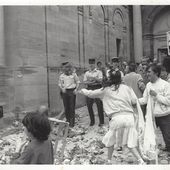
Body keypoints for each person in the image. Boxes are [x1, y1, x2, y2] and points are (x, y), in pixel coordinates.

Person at [79, 70, 145, 164]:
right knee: (130, 142)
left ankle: (109, 160)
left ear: (109, 79)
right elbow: (134, 102)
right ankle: (141, 160)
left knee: (111, 140)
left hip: (117, 118)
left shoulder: (106, 90)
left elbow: (91, 94)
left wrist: (82, 91)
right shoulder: (127, 88)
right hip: (129, 117)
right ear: (120, 78)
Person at [138, 64, 170, 153]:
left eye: (149, 72)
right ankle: (153, 152)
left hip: (165, 115)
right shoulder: (148, 85)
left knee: (168, 137)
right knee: (150, 136)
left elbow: (168, 101)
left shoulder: (166, 85)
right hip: (151, 116)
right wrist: (135, 101)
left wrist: (156, 95)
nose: (147, 74)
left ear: (156, 73)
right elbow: (144, 100)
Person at [83, 58, 104, 127]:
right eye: (90, 63)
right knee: (89, 105)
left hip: (97, 88)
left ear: (94, 64)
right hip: (89, 88)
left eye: (92, 63)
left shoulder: (98, 72)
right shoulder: (87, 73)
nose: (91, 65)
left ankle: (101, 121)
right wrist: (91, 81)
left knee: (99, 105)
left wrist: (95, 79)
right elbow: (84, 82)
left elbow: (101, 80)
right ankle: (92, 121)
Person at [58, 62, 80, 127]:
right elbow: (60, 83)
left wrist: (76, 89)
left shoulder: (73, 74)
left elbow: (77, 82)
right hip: (65, 92)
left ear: (69, 68)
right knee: (66, 107)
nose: (66, 69)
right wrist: (62, 88)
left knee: (72, 107)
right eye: (65, 67)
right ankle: (68, 122)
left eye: (67, 67)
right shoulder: (62, 75)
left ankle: (72, 124)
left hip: (72, 91)